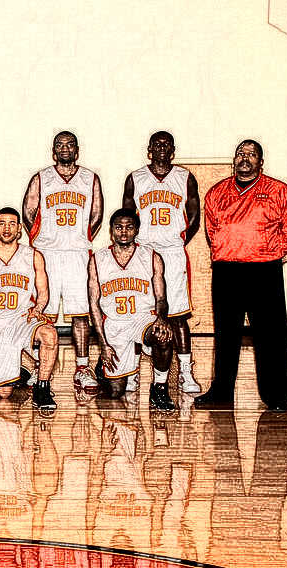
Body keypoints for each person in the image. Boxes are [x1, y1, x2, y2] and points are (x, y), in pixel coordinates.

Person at [196, 140, 287, 412]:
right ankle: (221, 392)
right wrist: (229, 248)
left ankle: (277, 396)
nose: (244, 158)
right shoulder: (217, 192)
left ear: (261, 162)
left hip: (264, 270)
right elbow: (212, 230)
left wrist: (273, 251)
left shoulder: (279, 191)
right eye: (240, 154)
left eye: (251, 154)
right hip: (227, 271)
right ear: (234, 160)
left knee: (270, 334)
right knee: (226, 335)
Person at [22, 131, 103, 394]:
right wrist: (42, 239)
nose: (65, 148)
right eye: (60, 145)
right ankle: (39, 366)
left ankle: (82, 367)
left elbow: (97, 215)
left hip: (77, 253)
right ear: (53, 151)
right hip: (47, 252)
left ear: (77, 150)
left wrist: (79, 238)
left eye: (70, 145)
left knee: (81, 313)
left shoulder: (90, 178)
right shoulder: (41, 178)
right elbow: (28, 212)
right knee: (42, 312)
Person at [122, 131, 201, 394]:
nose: (162, 148)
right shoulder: (135, 178)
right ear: (150, 149)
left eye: (167, 144)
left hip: (172, 252)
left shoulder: (184, 177)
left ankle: (186, 372)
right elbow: (127, 216)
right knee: (138, 315)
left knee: (178, 316)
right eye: (157, 144)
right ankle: (131, 372)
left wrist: (179, 238)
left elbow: (194, 215)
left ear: (173, 150)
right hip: (144, 252)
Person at [0, 208, 58, 409]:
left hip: (23, 319)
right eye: (2, 223)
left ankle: (42, 388)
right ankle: (21, 369)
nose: (7, 228)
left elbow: (43, 292)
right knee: (4, 393)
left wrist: (39, 307)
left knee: (50, 334)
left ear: (19, 229)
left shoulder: (33, 255)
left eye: (12, 224)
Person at [88, 209, 176, 410]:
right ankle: (102, 370)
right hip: (114, 323)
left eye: (129, 227)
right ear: (111, 230)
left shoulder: (151, 257)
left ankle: (159, 388)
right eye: (119, 227)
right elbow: (94, 304)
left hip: (142, 319)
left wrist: (161, 319)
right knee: (115, 392)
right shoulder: (97, 259)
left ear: (137, 230)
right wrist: (103, 344)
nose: (124, 232)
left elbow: (161, 298)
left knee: (163, 335)